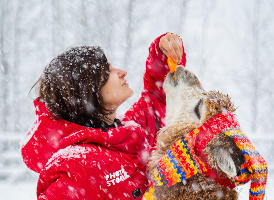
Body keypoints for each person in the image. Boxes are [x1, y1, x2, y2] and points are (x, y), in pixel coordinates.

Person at [21, 33, 186, 200]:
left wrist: (164, 56)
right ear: (87, 91)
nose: (122, 72)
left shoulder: (127, 134)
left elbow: (158, 99)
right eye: (108, 72)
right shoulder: (76, 165)